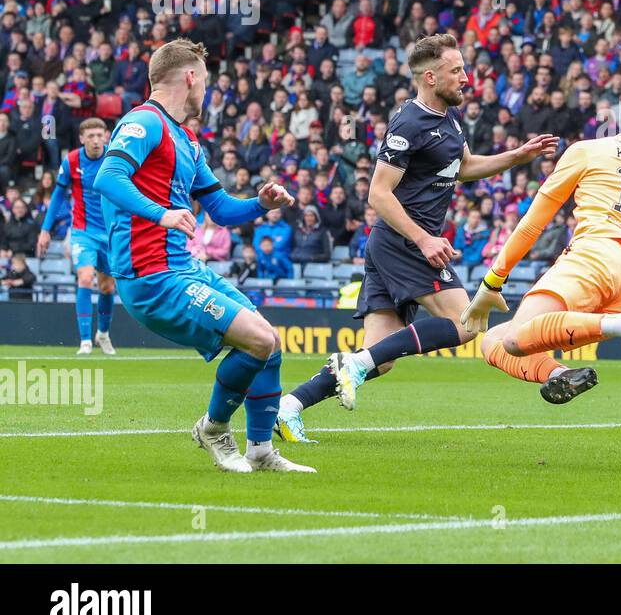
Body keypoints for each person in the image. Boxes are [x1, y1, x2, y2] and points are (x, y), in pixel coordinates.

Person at [277, 35, 557, 439]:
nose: (466, 78)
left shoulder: (448, 118)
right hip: (403, 242)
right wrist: (424, 239)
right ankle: (351, 367)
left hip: (394, 244)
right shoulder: (409, 122)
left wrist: (516, 157)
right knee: (466, 323)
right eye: (456, 70)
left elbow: (463, 167)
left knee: (380, 359)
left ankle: (290, 406)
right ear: (430, 76)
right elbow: (378, 192)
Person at [92, 40, 311, 473]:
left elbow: (222, 209)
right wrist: (163, 214)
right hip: (151, 277)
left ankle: (261, 451)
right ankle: (213, 429)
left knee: (269, 342)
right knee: (259, 339)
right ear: (191, 77)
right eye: (205, 81)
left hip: (184, 267)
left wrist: (261, 204)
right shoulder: (144, 122)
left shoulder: (188, 140)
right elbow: (108, 176)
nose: (206, 91)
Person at [464, 90, 621, 404]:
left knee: (512, 340)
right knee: (493, 341)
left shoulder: (590, 150)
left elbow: (533, 223)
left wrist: (493, 280)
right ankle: (558, 374)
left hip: (594, 258)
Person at [37, 118, 116, 355]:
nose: (95, 140)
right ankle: (85, 341)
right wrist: (45, 229)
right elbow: (59, 196)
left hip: (110, 233)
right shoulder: (72, 160)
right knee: (84, 278)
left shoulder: (115, 159)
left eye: (98, 135)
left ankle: (102, 334)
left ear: (106, 136)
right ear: (82, 139)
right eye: (90, 136)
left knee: (107, 287)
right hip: (83, 231)